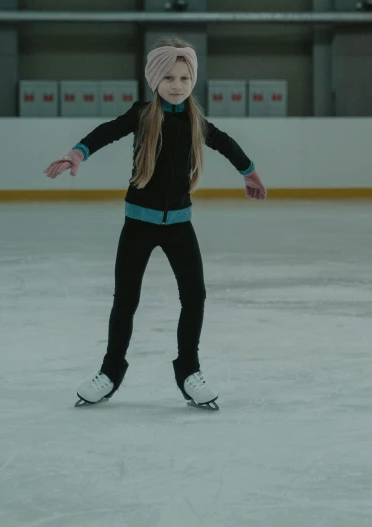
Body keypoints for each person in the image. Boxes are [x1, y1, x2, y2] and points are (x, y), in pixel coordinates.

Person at [44, 37, 267, 409]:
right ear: (154, 81)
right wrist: (76, 154)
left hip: (180, 224)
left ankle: (189, 371)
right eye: (168, 78)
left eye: (184, 77)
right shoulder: (143, 115)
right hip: (139, 224)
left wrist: (250, 173)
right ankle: (110, 372)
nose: (177, 85)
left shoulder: (196, 121)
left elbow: (226, 143)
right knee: (126, 299)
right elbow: (107, 131)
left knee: (194, 295)